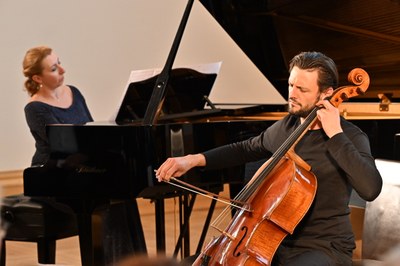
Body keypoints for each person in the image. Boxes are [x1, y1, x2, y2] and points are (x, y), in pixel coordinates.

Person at [155, 51, 383, 266]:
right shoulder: (288, 127)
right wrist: (192, 159)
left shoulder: (350, 137)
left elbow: (370, 189)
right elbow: (245, 149)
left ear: (326, 94)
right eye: (291, 85)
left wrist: (335, 134)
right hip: (274, 244)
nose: (292, 94)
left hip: (324, 248)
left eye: (302, 89)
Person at [23, 46, 93, 166]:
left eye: (59, 63)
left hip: (80, 163)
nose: (63, 70)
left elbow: (91, 129)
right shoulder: (34, 108)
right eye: (54, 69)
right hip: (53, 171)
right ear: (38, 78)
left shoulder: (74, 91)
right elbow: (65, 146)